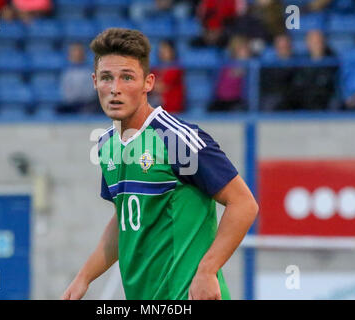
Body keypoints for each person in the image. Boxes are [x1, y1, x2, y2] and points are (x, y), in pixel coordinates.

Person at [61, 28, 258, 300]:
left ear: (148, 83)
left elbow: (244, 203)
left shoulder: (176, 138)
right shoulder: (107, 145)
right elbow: (125, 221)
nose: (115, 88)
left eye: (127, 77)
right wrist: (84, 278)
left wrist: (207, 271)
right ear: (95, 82)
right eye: (107, 78)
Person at [208, 35, 251, 112]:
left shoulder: (251, 65)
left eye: (246, 48)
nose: (246, 51)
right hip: (222, 101)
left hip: (237, 102)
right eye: (241, 48)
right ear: (235, 50)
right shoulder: (226, 64)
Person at [58, 42, 98, 113]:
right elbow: (65, 92)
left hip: (86, 104)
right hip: (71, 105)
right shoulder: (67, 73)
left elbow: (91, 92)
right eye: (74, 53)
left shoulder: (89, 72)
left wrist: (81, 98)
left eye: (79, 53)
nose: (76, 56)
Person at [150, 40, 185, 114]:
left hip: (173, 109)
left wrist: (151, 86)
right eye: (161, 50)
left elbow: (161, 87)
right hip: (157, 109)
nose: (162, 53)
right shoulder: (155, 68)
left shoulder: (176, 68)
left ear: (172, 51)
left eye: (165, 50)